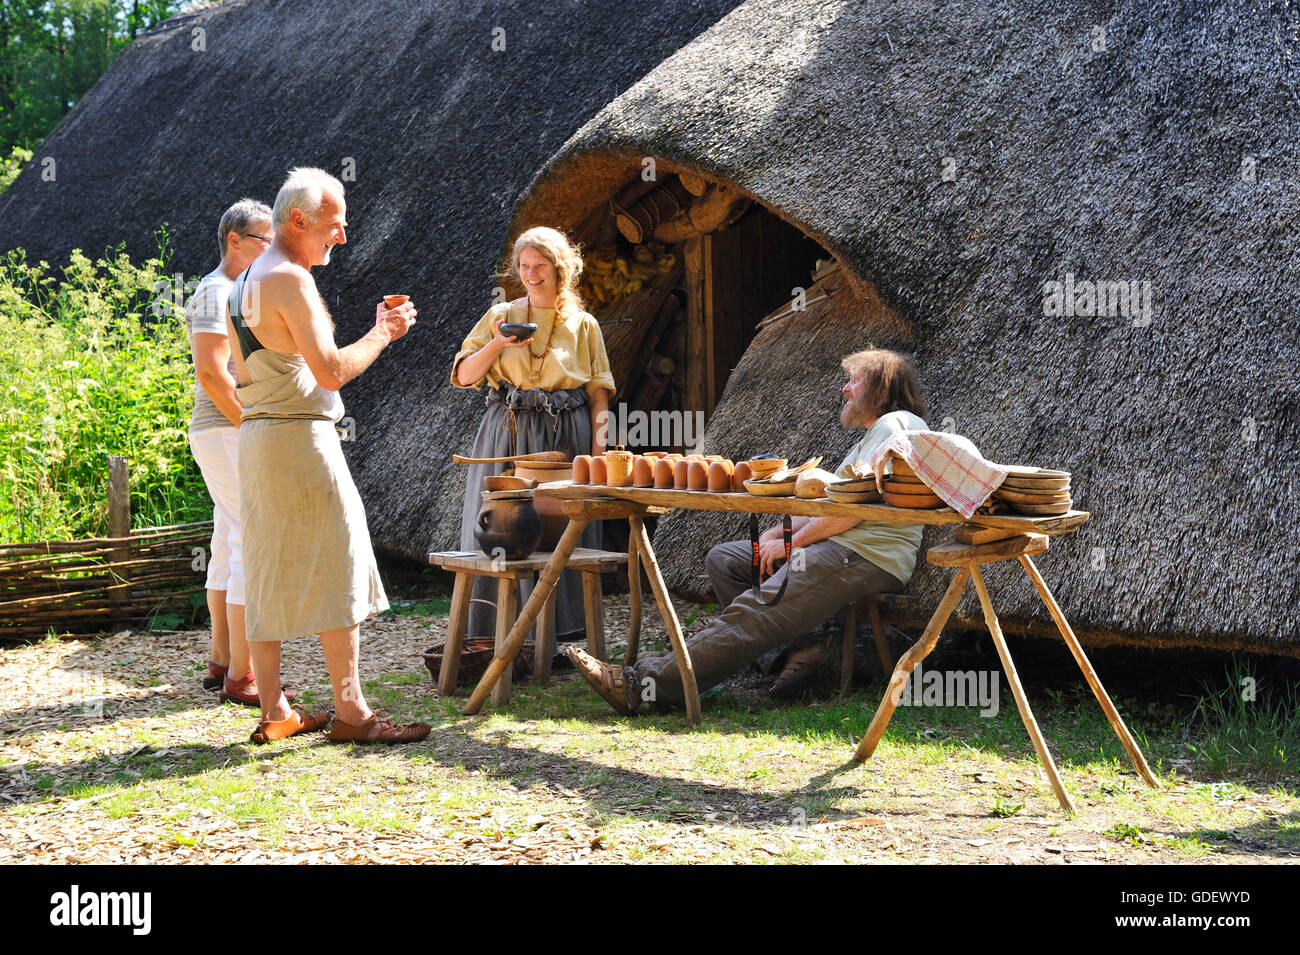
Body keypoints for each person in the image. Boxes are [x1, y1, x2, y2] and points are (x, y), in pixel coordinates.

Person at [567, 348, 929, 714]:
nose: (845, 389)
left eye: (855, 381)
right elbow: (836, 501)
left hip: (864, 554)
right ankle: (792, 653)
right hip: (843, 542)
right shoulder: (875, 434)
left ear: (880, 389)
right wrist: (781, 532)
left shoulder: (896, 424)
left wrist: (793, 545)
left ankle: (643, 685)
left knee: (754, 609)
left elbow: (855, 509)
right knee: (726, 560)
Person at [227, 166, 428, 744]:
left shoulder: (245, 279)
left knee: (265, 569)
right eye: (333, 225)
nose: (342, 235)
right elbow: (331, 371)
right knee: (340, 565)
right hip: (299, 440)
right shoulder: (289, 278)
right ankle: (353, 714)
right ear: (298, 220)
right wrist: (384, 331)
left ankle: (276, 711)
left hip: (260, 438)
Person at [451, 226, 614, 645]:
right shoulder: (500, 316)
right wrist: (497, 345)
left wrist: (597, 456)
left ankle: (553, 639)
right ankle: (498, 638)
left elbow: (599, 394)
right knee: (503, 528)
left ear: (560, 269)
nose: (531, 274)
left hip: (565, 438)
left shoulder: (584, 325)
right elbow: (465, 376)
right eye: (524, 266)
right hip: (507, 433)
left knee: (558, 529)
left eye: (540, 266)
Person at [185, 198, 273, 706]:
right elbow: (210, 372)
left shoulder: (237, 290)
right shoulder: (216, 290)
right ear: (235, 241)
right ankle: (244, 674)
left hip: (224, 428)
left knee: (227, 537)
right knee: (249, 538)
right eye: (265, 240)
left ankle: (222, 660)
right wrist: (251, 424)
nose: (273, 250)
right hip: (226, 427)